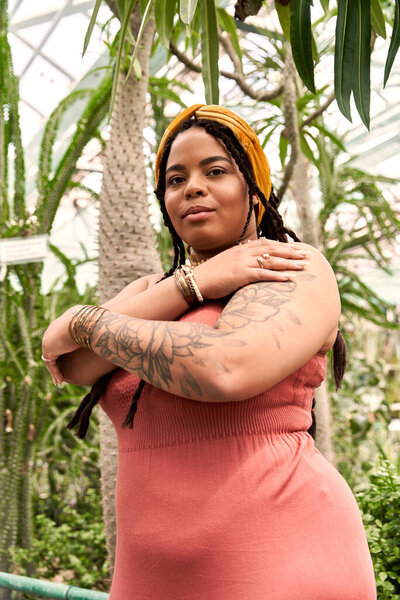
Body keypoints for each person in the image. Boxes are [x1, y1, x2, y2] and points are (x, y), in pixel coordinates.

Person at [42, 104, 377, 599]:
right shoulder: (153, 288)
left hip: (277, 562)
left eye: (215, 171)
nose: (192, 187)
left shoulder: (288, 266)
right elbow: (66, 359)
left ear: (254, 188)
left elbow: (224, 367)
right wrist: (193, 284)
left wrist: (82, 319)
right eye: (175, 180)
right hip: (147, 580)